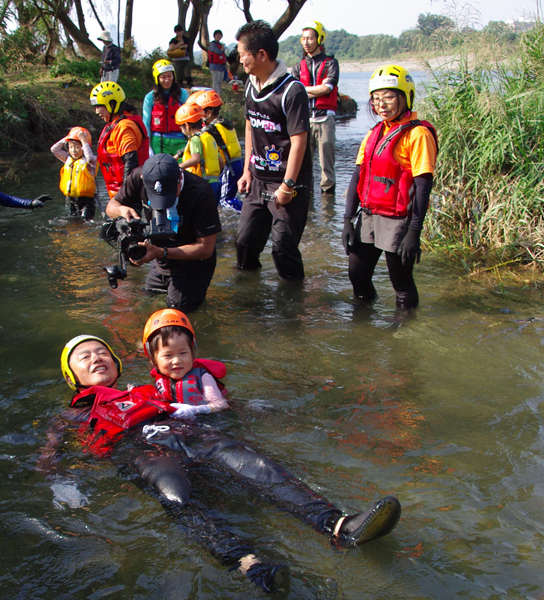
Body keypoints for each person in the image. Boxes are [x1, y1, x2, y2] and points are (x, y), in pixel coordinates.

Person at [41, 328, 403, 593]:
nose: (96, 358)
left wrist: (254, 410)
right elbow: (49, 453)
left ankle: (338, 525)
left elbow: (203, 399)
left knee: (250, 461)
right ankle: (252, 566)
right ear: (72, 375)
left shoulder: (149, 390)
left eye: (101, 352)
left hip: (183, 432)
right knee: (177, 495)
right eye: (84, 356)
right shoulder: (70, 415)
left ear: (116, 362)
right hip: (137, 450)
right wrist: (61, 482)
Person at [341, 65, 437, 309]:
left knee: (401, 284)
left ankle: (403, 336)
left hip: (398, 220)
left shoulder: (418, 134)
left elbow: (423, 186)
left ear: (406, 97)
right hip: (369, 214)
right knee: (357, 275)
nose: (381, 105)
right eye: (375, 99)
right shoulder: (375, 132)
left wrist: (414, 231)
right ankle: (365, 331)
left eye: (389, 97)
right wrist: (347, 220)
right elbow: (356, 176)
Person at [235, 20, 312, 280]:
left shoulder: (292, 90)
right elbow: (249, 126)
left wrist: (288, 186)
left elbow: (300, 141)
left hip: (288, 182)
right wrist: (246, 170)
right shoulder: (250, 84)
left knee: (283, 250)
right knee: (244, 245)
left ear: (261, 55)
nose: (240, 60)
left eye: (242, 54)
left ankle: (293, 309)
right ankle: (251, 302)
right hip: (257, 180)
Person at [105, 154, 220, 312]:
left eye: (170, 194)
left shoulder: (201, 192)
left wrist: (161, 252)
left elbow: (206, 249)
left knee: (178, 312)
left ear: (180, 177)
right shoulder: (138, 177)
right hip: (159, 258)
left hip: (193, 262)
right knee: (145, 305)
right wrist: (121, 210)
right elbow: (111, 206)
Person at [292, 20, 340, 195]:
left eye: (310, 38)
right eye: (304, 38)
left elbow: (327, 88)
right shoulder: (298, 67)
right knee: (304, 163)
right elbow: (294, 92)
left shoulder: (330, 64)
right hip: (304, 120)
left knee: (326, 164)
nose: (306, 42)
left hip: (325, 118)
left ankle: (328, 200)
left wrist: (305, 90)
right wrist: (313, 91)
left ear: (319, 39)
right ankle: (307, 198)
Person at [90, 82, 149, 200]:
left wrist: (125, 195)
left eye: (99, 107)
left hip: (129, 194)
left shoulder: (124, 127)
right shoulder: (116, 124)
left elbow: (131, 162)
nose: (97, 112)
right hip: (119, 192)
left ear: (112, 105)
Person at [193, 89, 244, 210]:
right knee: (224, 196)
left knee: (225, 200)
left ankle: (247, 214)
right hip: (237, 164)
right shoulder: (224, 123)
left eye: (200, 113)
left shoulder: (210, 129)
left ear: (209, 113)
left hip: (229, 167)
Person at [175, 103, 225, 200]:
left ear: (186, 125)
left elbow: (195, 159)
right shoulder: (209, 137)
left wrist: (178, 166)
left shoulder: (195, 139)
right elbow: (221, 162)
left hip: (203, 184)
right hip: (215, 183)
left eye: (181, 127)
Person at [143, 60, 190, 157]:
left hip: (180, 140)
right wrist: (147, 146)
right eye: (163, 77)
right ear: (157, 78)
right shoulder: (150, 97)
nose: (167, 80)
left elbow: (191, 117)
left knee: (183, 170)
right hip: (158, 141)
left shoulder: (182, 94)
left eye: (169, 76)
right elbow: (146, 123)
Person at [50, 126, 97, 220]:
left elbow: (90, 158)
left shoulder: (90, 161)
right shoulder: (67, 159)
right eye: (71, 147)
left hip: (87, 201)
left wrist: (83, 140)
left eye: (77, 147)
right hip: (72, 200)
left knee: (85, 222)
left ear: (83, 148)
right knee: (74, 222)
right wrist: (68, 137)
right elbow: (54, 149)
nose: (73, 150)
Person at [203, 29, 227, 98]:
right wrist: (222, 48)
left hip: (221, 66)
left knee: (220, 83)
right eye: (217, 35)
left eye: (220, 35)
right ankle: (214, 96)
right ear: (214, 36)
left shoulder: (220, 44)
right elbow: (219, 52)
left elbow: (223, 55)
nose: (218, 36)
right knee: (216, 83)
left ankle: (218, 96)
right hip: (214, 66)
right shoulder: (213, 45)